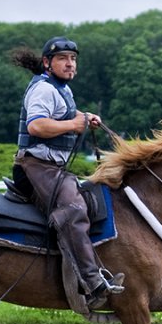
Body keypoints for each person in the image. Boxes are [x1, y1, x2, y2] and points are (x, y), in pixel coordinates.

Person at [11, 36, 124, 309]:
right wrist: (74, 124)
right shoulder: (43, 89)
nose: (70, 63)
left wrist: (84, 117)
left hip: (51, 169)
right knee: (73, 210)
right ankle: (92, 283)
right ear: (48, 63)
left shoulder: (61, 89)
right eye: (63, 58)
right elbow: (37, 126)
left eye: (73, 59)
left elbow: (64, 116)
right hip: (35, 168)